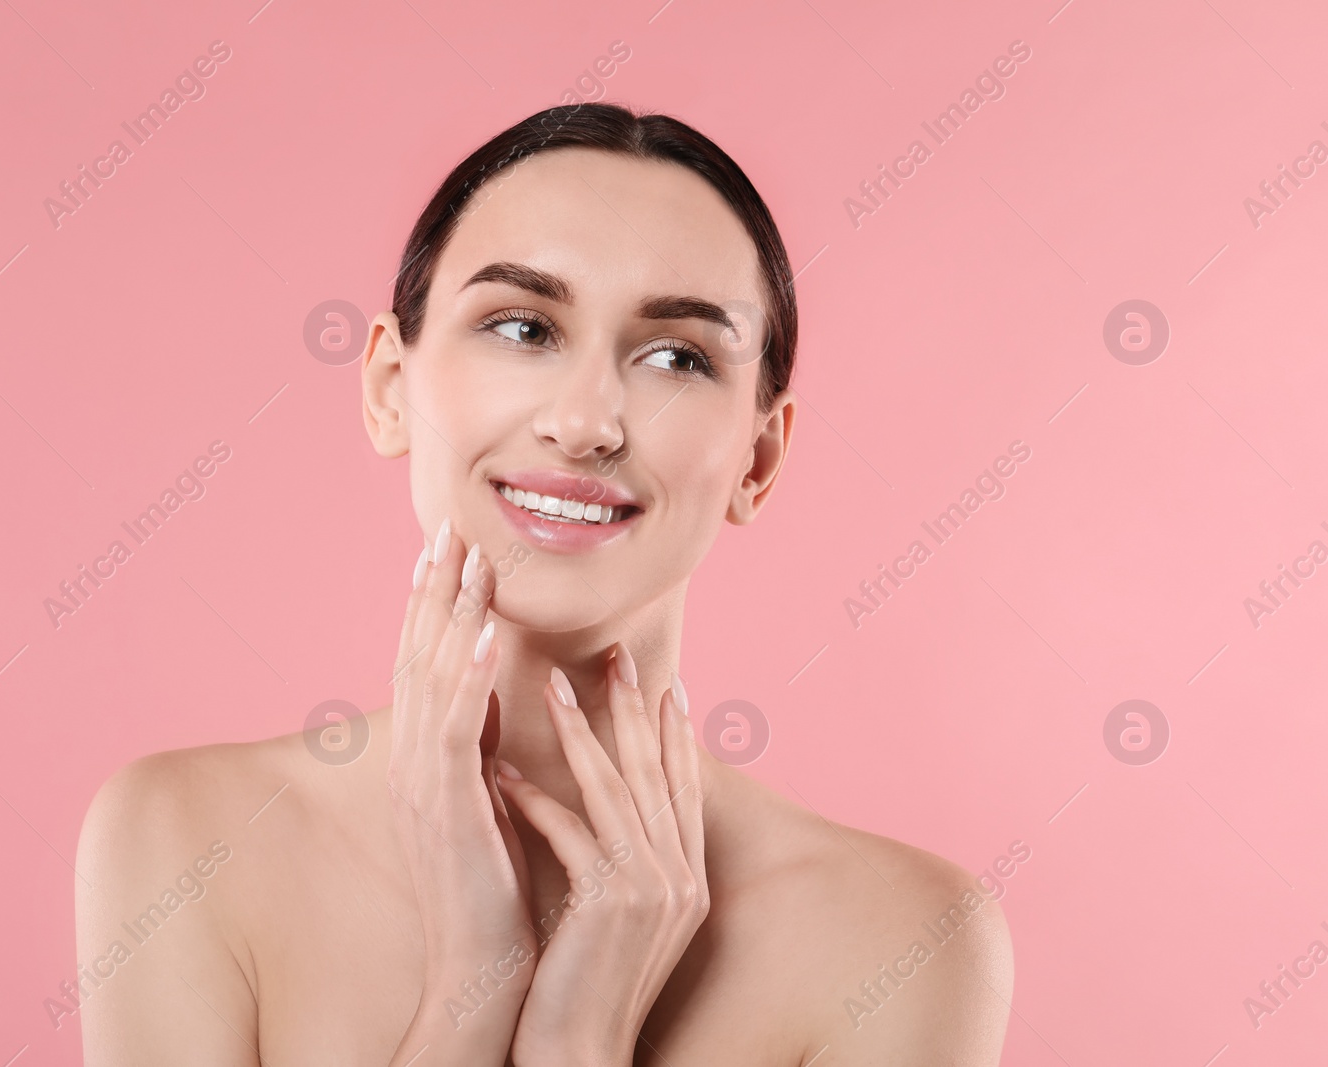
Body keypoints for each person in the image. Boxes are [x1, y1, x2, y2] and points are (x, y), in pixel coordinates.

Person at [75, 102, 1013, 1066]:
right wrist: (474, 983)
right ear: (390, 386)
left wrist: (579, 1038)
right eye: (523, 327)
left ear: (759, 459)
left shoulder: (911, 940)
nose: (586, 421)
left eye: (677, 356)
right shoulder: (185, 840)